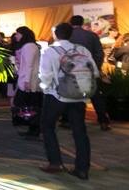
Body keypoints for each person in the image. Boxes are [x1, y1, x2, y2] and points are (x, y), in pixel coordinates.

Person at [39, 22, 98, 180]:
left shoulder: (49, 51)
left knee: (48, 127)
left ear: (55, 34)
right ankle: (82, 168)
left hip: (56, 95)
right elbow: (94, 71)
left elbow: (45, 75)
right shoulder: (82, 50)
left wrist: (45, 88)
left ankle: (55, 163)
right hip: (79, 96)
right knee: (80, 131)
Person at [68, 15, 111, 130]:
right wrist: (95, 67)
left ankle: (71, 121)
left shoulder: (67, 36)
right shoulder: (92, 36)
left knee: (73, 97)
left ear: (70, 23)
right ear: (82, 23)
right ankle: (103, 121)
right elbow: (99, 53)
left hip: (72, 71)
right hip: (89, 70)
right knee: (96, 96)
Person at [12, 26, 41, 137]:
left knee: (29, 105)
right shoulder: (29, 46)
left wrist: (27, 81)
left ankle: (33, 128)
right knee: (29, 105)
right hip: (27, 80)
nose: (16, 36)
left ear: (23, 35)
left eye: (18, 34)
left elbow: (29, 65)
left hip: (29, 81)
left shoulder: (29, 46)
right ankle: (32, 128)